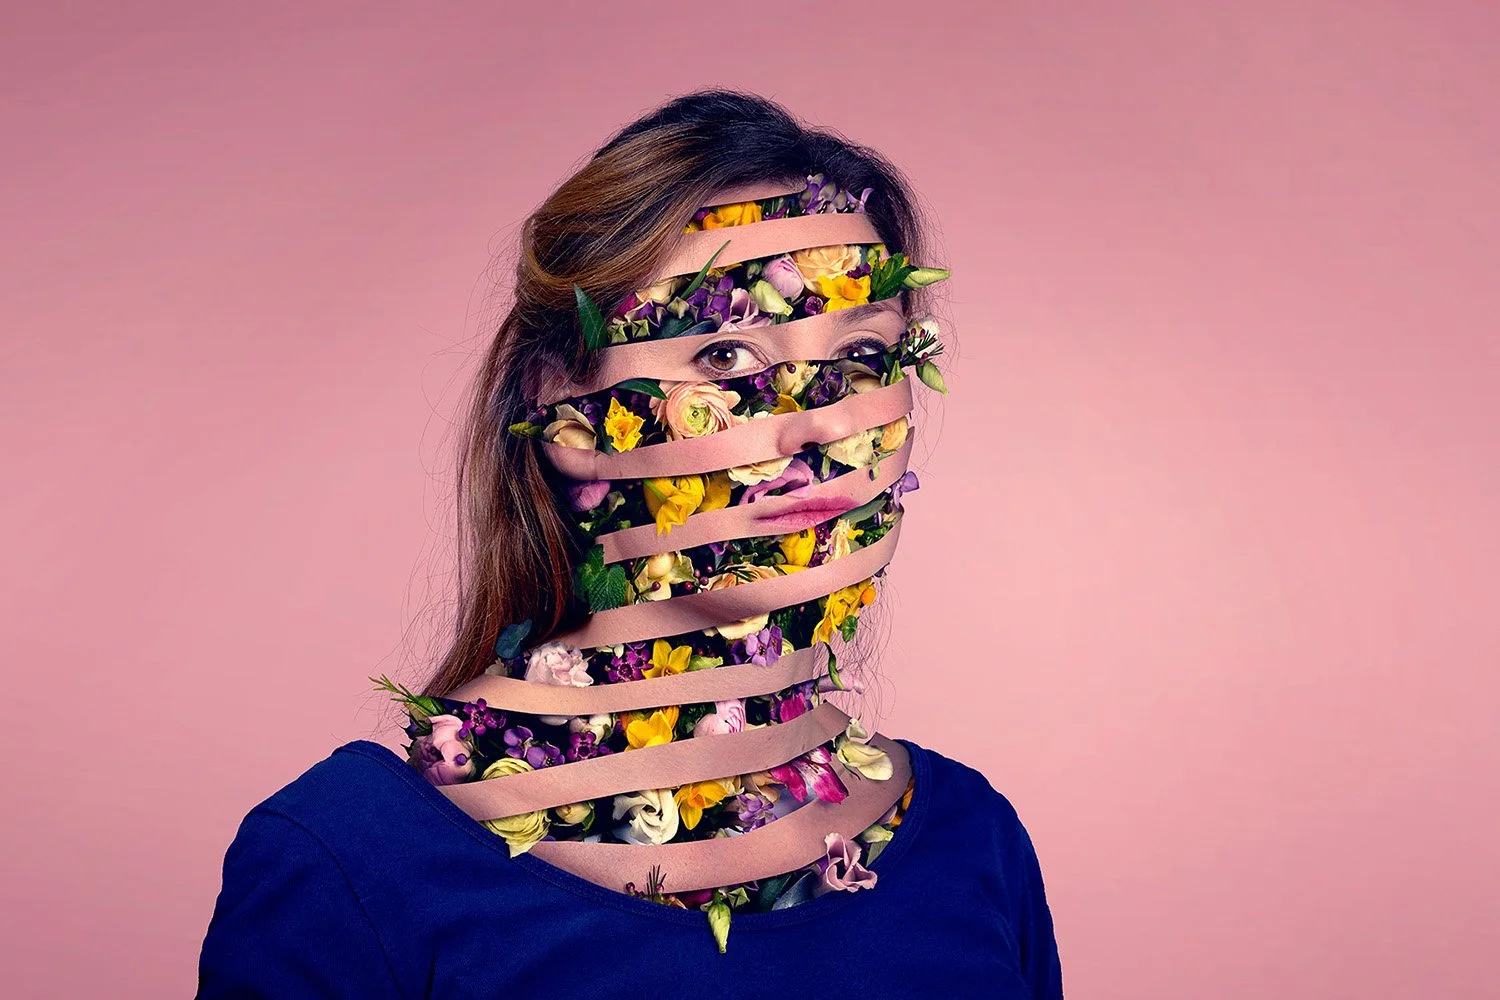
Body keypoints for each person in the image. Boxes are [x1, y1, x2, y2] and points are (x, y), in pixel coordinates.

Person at [196, 89, 1065, 998]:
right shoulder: (351, 864)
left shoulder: (975, 843)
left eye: (858, 360)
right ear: (562, 406)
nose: (818, 424)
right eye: (727, 356)